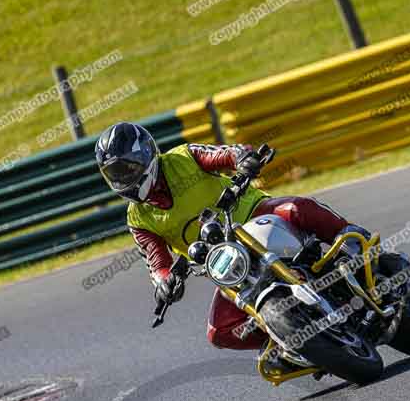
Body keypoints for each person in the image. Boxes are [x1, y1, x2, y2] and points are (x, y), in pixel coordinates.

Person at [95, 121, 373, 351]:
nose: (123, 178)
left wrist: (243, 159)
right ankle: (287, 340)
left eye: (126, 168)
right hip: (224, 263)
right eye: (114, 174)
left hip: (252, 214)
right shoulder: (137, 218)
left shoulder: (183, 158)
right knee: (220, 332)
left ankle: (354, 242)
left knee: (297, 208)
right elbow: (158, 263)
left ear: (145, 155)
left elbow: (226, 154)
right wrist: (166, 284)